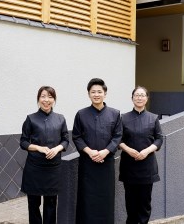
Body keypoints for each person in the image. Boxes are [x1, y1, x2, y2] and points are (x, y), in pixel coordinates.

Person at [72, 78, 123, 224]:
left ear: (105, 94)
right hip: (87, 164)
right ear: (88, 94)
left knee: (105, 199)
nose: (96, 94)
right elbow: (77, 137)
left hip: (106, 164)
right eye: (93, 92)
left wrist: (105, 152)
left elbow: (117, 136)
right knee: (86, 199)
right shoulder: (81, 114)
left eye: (99, 92)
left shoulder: (114, 114)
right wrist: (90, 152)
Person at [20, 86, 69, 224]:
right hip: (34, 168)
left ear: (54, 100)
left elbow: (66, 140)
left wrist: (57, 148)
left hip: (53, 168)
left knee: (51, 204)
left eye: (50, 97)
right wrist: (38, 148)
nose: (46, 100)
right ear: (38, 99)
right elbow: (23, 142)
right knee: (34, 204)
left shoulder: (60, 119)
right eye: (43, 96)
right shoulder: (31, 119)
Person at [119, 86, 164, 224]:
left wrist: (147, 151)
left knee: (145, 204)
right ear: (132, 98)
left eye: (142, 95)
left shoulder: (153, 118)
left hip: (147, 166)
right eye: (136, 95)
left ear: (146, 98)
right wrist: (128, 150)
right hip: (129, 166)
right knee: (131, 203)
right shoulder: (123, 118)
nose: (139, 98)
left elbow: (159, 138)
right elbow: (117, 139)